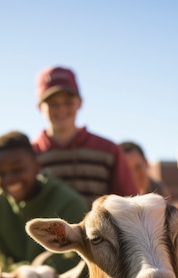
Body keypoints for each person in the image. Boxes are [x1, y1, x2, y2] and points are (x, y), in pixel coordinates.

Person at [0, 130, 89, 278]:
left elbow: (75, 264)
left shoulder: (69, 204)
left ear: (36, 166)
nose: (10, 178)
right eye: (1, 173)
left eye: (17, 169)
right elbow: (3, 259)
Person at [31, 66, 138, 205]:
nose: (61, 109)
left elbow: (129, 202)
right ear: (40, 107)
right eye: (53, 103)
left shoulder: (108, 150)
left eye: (68, 102)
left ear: (79, 103)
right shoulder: (31, 156)